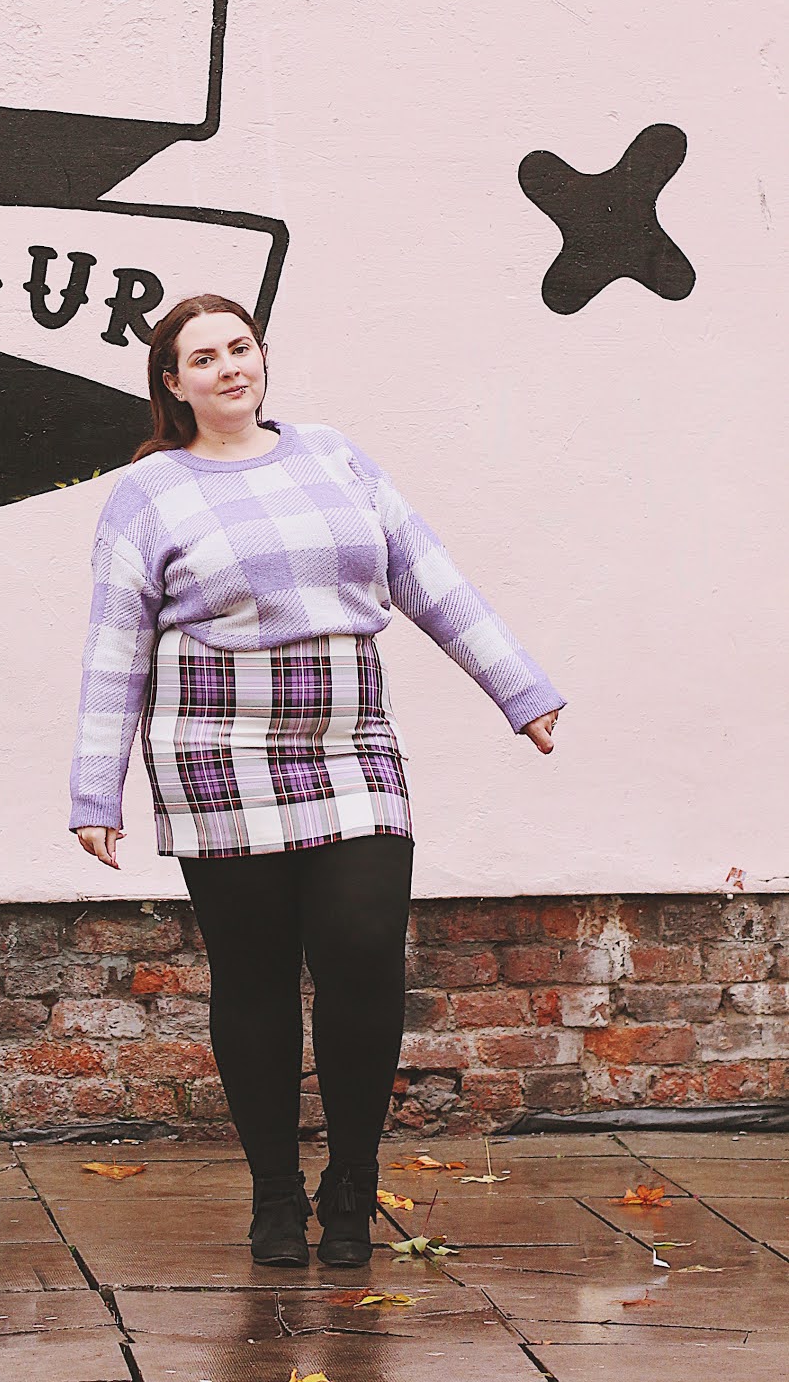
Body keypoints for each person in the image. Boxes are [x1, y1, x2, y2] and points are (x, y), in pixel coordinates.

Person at [68, 294, 564, 1267]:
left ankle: (349, 1180)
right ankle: (272, 1194)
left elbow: (427, 574)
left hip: (348, 742)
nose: (226, 366)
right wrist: (96, 789)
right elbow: (113, 644)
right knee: (252, 974)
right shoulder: (147, 492)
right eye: (201, 356)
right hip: (215, 753)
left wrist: (518, 687)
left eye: (239, 347)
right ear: (171, 382)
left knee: (362, 945)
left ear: (260, 358)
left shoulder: (332, 454)